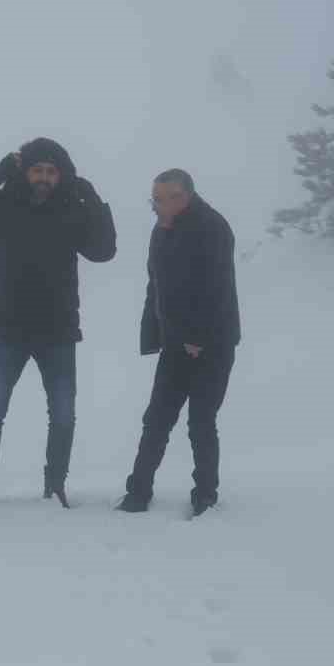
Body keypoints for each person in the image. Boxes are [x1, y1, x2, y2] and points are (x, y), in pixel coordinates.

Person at [0, 138, 117, 507]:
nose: (44, 178)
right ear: (24, 172)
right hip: (7, 328)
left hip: (58, 332)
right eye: (37, 170)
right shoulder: (3, 206)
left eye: (51, 172)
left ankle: (55, 487)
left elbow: (104, 250)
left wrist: (91, 197)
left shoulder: (73, 210)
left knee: (62, 412)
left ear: (61, 176)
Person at [117, 169, 242, 517]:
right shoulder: (161, 231)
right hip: (176, 343)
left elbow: (216, 288)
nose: (158, 205)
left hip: (212, 343)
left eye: (166, 198)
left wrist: (197, 338)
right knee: (156, 419)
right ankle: (137, 493)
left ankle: (205, 496)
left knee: (201, 421)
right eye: (155, 199)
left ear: (184, 196)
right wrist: (152, 334)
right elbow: (155, 286)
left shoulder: (212, 227)